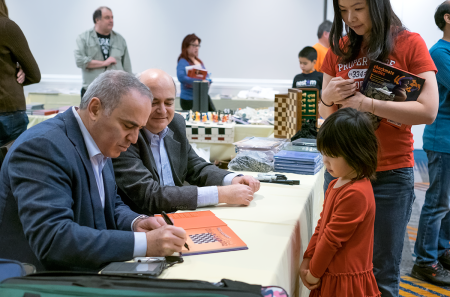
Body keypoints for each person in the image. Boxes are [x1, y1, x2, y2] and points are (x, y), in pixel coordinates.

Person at [0, 71, 186, 272]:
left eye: (139, 128)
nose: (134, 139)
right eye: (128, 126)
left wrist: (136, 223)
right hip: (39, 279)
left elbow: (108, 204)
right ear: (95, 109)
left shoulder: (97, 138)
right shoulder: (42, 147)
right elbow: (54, 239)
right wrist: (145, 244)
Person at [319, 0, 439, 296]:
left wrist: (369, 104)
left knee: (382, 272)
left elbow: (428, 110)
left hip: (389, 173)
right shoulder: (341, 46)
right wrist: (326, 97)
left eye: (358, 8)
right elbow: (327, 115)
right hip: (342, 173)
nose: (351, 17)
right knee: (338, 262)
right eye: (343, 10)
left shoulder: (409, 43)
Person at [113, 69, 260, 215]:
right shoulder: (126, 136)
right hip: (145, 224)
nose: (163, 111)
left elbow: (195, 166)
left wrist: (231, 179)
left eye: (169, 103)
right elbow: (150, 195)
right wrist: (221, 194)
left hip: (181, 216)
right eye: (154, 102)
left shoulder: (175, 123)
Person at [300, 108, 380, 297]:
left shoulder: (356, 193)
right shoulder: (336, 183)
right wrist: (309, 257)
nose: (325, 161)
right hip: (330, 271)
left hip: (344, 281)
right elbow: (322, 226)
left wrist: (314, 273)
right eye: (323, 153)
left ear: (356, 153)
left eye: (332, 155)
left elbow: (331, 239)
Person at [412, 0, 450, 286]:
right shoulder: (440, 52)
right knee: (437, 203)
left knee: (446, 203)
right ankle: (424, 262)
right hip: (442, 139)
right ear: (448, 19)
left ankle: (442, 249)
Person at [0, 0, 40, 146]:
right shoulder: (6, 26)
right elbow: (34, 74)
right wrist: (17, 71)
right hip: (8, 111)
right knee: (13, 165)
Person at [74, 6, 132, 99]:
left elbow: (127, 68)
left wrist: (130, 89)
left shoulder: (120, 39)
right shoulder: (83, 38)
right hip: (91, 91)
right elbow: (80, 61)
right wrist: (104, 63)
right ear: (97, 20)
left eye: (112, 17)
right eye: (107, 17)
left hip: (116, 92)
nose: (111, 20)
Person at [176, 34, 211, 111]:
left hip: (202, 97)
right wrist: (200, 81)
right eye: (194, 45)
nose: (197, 48)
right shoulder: (183, 62)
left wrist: (208, 81)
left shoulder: (199, 62)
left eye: (198, 46)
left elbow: (206, 76)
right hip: (189, 99)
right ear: (187, 46)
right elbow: (181, 77)